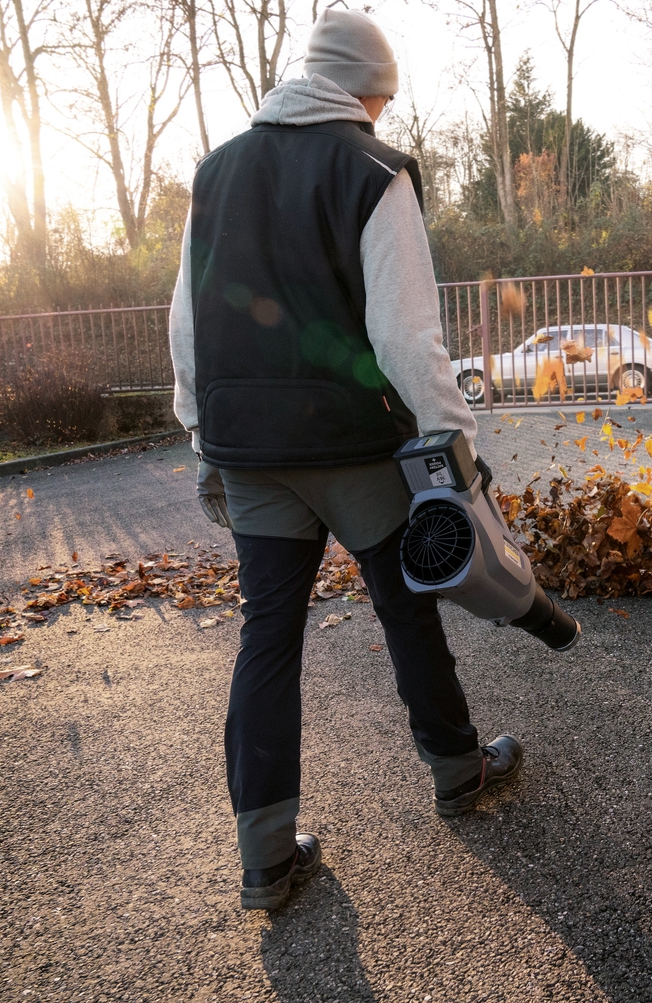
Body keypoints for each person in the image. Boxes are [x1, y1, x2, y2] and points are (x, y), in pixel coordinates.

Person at [167, 8, 522, 912]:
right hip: (351, 446)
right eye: (384, 97)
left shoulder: (215, 171)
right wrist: (457, 448)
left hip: (250, 450)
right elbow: (408, 335)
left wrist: (201, 430)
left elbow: (184, 322)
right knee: (406, 611)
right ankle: (457, 769)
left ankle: (266, 858)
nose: (381, 113)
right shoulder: (372, 170)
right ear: (369, 90)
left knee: (267, 637)